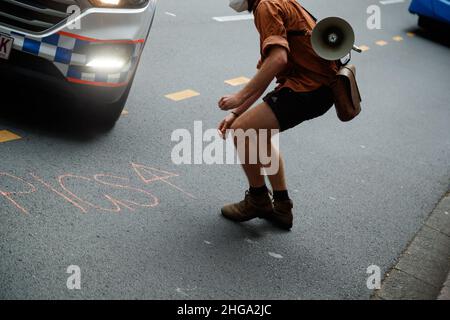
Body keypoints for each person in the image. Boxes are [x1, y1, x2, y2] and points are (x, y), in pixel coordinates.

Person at [217, 0, 338, 230]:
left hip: (307, 88)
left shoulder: (265, 6)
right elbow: (268, 71)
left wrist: (238, 98)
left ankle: (257, 200)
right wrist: (237, 111)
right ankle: (282, 208)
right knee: (255, 133)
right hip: (316, 89)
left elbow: (278, 59)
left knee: (243, 132)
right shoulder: (275, 2)